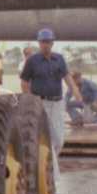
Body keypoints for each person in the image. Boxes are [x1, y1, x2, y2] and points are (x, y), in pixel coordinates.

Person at [20, 29, 82, 169]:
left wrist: (75, 90)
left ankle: (47, 165)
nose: (45, 45)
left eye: (48, 42)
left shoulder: (59, 59)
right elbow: (24, 82)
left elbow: (67, 77)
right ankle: (51, 172)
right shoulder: (32, 61)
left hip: (58, 102)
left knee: (58, 140)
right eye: (42, 42)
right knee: (44, 137)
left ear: (52, 43)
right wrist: (31, 98)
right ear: (39, 43)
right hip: (41, 103)